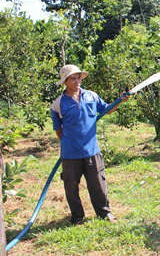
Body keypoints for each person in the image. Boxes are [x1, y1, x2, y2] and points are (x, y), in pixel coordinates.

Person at [50, 64, 129, 225]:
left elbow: (107, 109)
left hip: (92, 151)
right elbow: (58, 129)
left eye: (78, 77)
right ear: (65, 81)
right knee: (71, 187)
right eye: (73, 78)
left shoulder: (91, 96)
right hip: (70, 154)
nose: (77, 80)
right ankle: (77, 217)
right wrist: (69, 142)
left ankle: (104, 213)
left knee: (98, 184)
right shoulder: (57, 104)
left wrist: (120, 100)